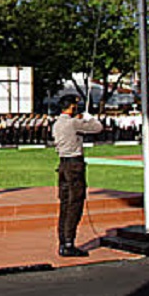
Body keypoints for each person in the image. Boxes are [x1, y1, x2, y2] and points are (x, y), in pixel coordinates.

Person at [52, 95, 103, 257]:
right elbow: (98, 128)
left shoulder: (57, 123)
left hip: (63, 164)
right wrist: (89, 117)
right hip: (74, 164)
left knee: (65, 205)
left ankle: (63, 241)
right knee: (75, 203)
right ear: (72, 107)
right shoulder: (73, 123)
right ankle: (69, 243)